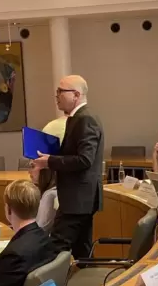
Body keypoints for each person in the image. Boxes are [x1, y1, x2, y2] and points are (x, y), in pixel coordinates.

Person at [32, 75, 104, 258]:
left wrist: (50, 161)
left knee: (54, 251)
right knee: (82, 252)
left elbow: (84, 160)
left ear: (76, 95)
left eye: (60, 91)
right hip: (79, 198)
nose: (56, 96)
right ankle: (88, 285)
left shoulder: (85, 119)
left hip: (77, 200)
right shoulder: (78, 118)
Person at [29, 162, 57, 233]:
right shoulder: (52, 191)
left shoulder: (50, 195)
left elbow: (41, 228)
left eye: (32, 166)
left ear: (45, 170)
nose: (29, 171)